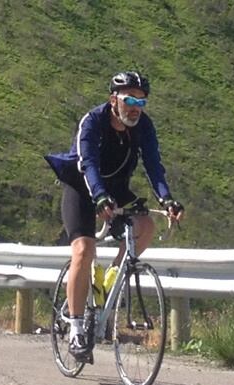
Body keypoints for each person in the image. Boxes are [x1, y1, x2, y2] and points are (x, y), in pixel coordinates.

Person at [44, 71, 184, 362]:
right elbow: (88, 163)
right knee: (83, 249)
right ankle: (76, 326)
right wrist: (98, 196)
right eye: (130, 100)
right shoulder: (92, 122)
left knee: (145, 225)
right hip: (83, 187)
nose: (136, 107)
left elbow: (154, 166)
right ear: (113, 100)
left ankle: (109, 282)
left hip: (115, 188)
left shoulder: (143, 126)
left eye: (142, 101)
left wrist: (167, 199)